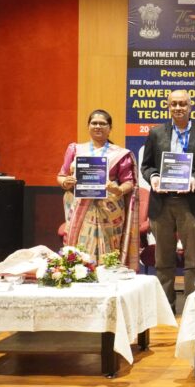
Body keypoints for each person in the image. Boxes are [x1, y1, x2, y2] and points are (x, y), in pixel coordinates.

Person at [141, 90, 195, 311]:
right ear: (168, 106)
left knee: (193, 260)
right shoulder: (156, 133)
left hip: (191, 204)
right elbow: (146, 166)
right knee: (163, 260)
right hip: (162, 203)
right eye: (174, 104)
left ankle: (192, 308)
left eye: (183, 104)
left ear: (190, 106)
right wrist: (153, 177)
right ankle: (165, 308)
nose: (178, 108)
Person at [57, 109, 139, 269]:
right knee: (80, 248)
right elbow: (61, 176)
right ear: (88, 126)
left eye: (103, 123)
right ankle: (81, 274)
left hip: (110, 210)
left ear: (110, 128)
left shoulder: (120, 154)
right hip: (81, 207)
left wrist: (117, 189)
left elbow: (129, 182)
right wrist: (66, 182)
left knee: (110, 249)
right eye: (94, 123)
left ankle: (109, 276)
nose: (98, 126)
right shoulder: (75, 149)